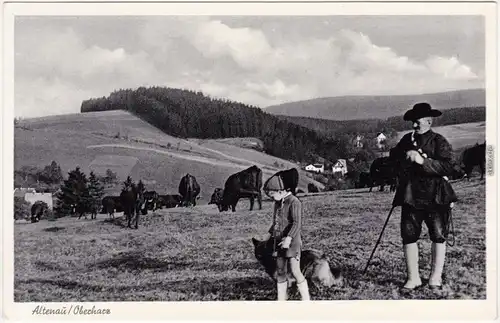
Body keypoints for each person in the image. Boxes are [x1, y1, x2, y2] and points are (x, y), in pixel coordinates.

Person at [390, 102, 458, 290]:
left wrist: (423, 161)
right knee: (409, 236)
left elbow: (449, 167)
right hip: (411, 196)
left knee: (438, 235)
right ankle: (413, 278)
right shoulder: (406, 140)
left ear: (429, 121)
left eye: (417, 121)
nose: (414, 125)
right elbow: (393, 160)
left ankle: (435, 277)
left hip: (435, 197)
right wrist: (402, 160)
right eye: (413, 121)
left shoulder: (439, 141)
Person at [262, 173, 310, 301]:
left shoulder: (294, 202)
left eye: (272, 195)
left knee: (295, 271)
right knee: (280, 271)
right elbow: (276, 222)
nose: (272, 198)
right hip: (278, 242)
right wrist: (269, 234)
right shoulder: (278, 203)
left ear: (280, 191)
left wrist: (288, 239)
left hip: (292, 243)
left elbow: (296, 223)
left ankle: (306, 299)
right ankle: (281, 299)